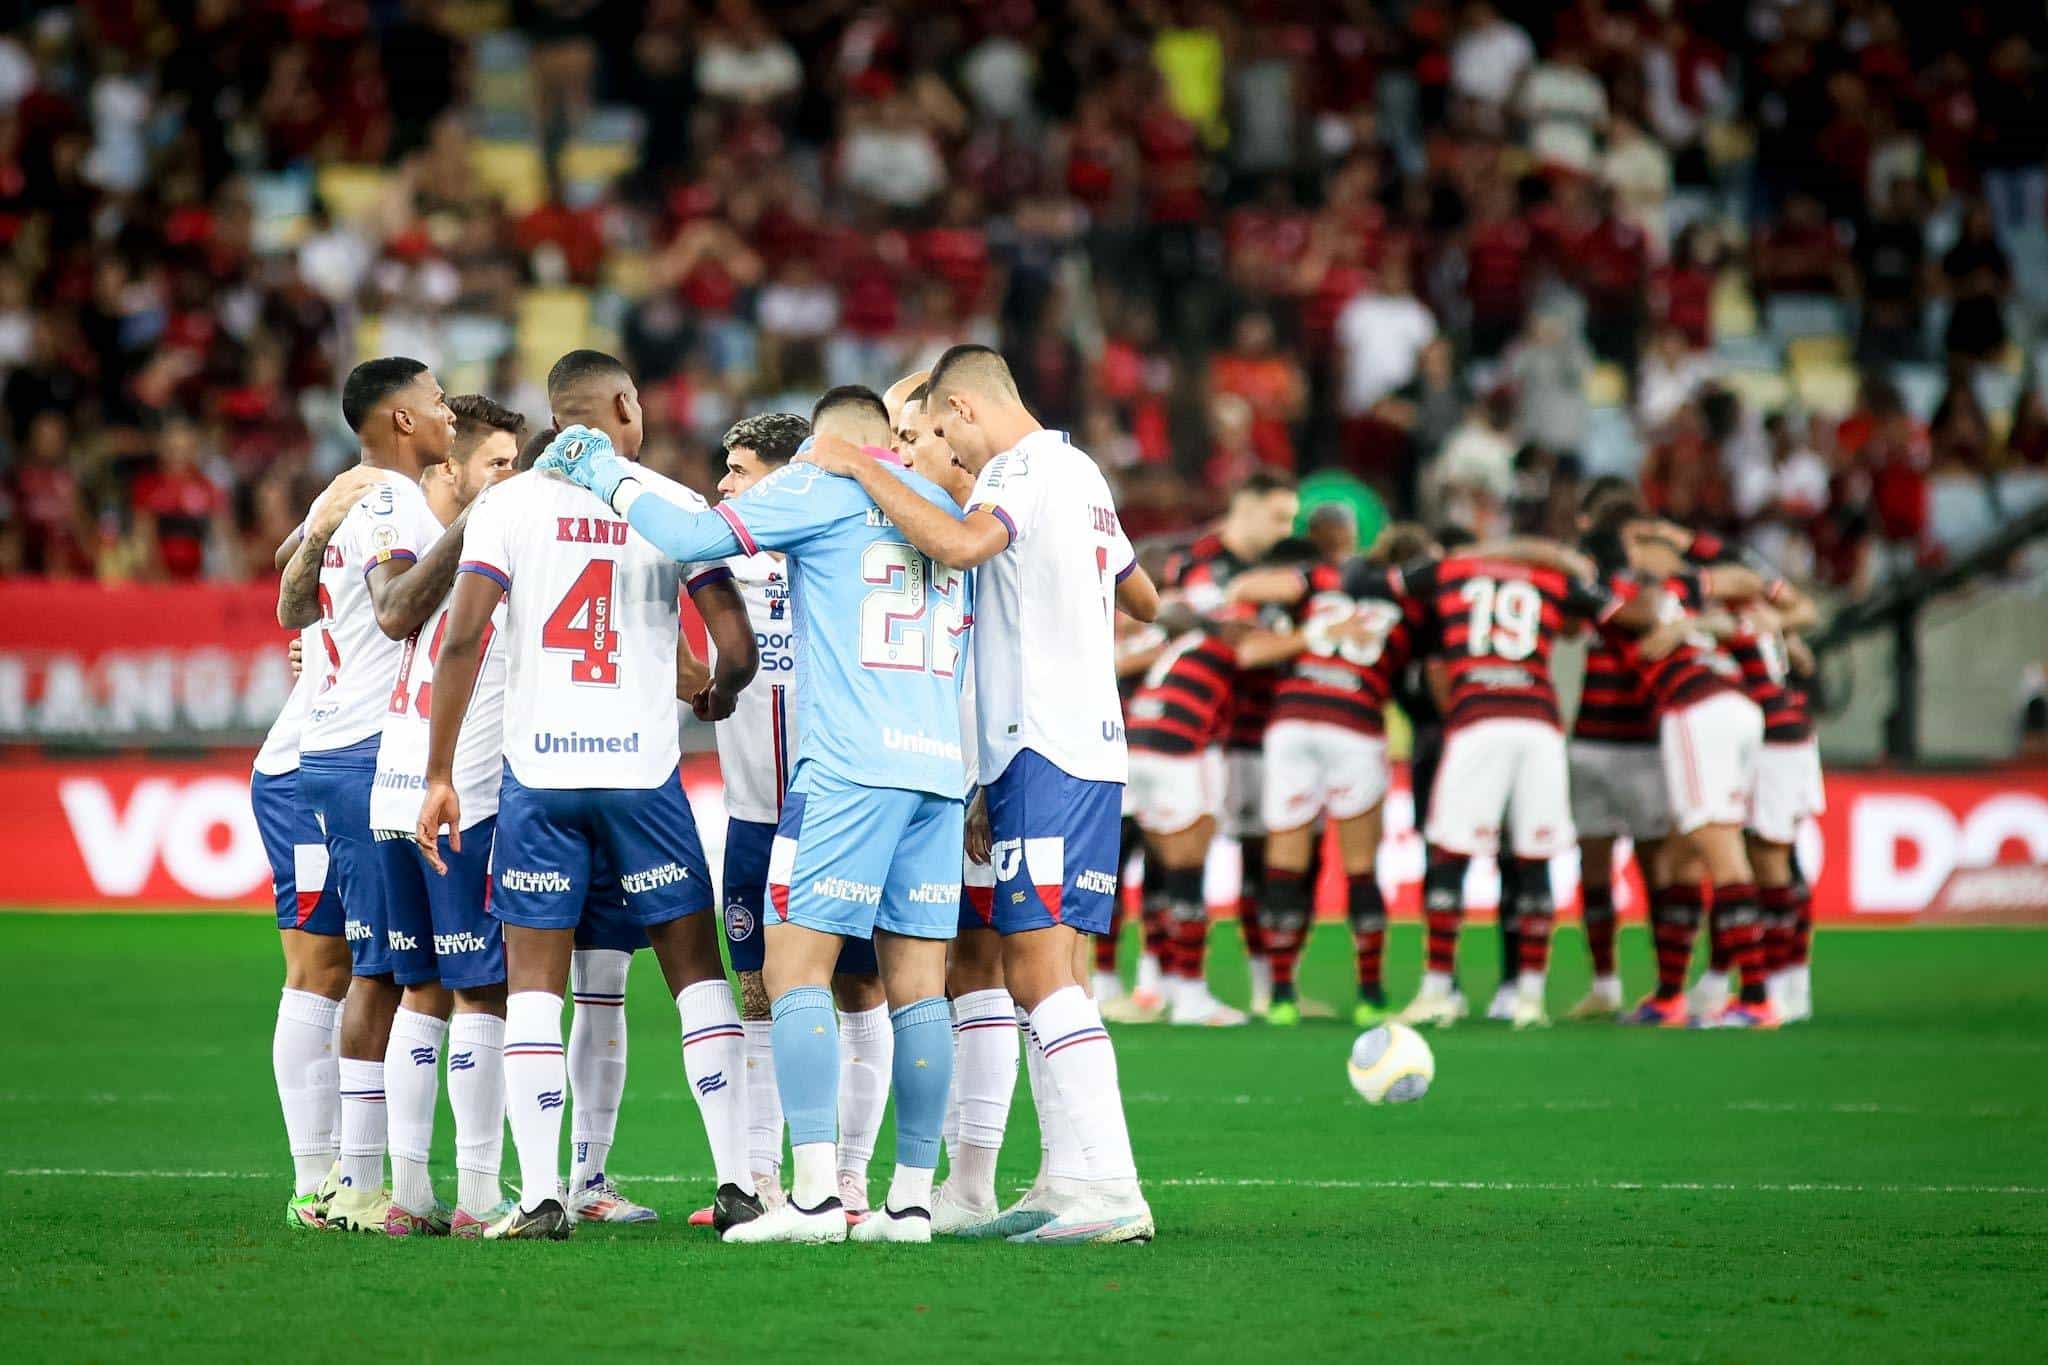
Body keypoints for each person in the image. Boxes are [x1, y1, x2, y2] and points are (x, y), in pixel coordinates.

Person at [541, 381, 972, 1246]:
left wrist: (606, 475)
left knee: (793, 971)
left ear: (828, 442)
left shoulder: (823, 482)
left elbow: (696, 536)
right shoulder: (937, 503)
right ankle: (911, 1202)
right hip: (935, 770)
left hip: (849, 769)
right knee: (921, 990)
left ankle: (811, 1198)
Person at [801, 344, 1161, 1245]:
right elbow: (1145, 596)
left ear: (962, 407)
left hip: (1039, 741)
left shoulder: (1019, 470)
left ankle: (1114, 1187)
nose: (934, 446)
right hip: (1085, 743)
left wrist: (860, 467)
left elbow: (964, 544)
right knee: (1056, 967)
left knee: (1032, 971)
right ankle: (1067, 1175)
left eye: (933, 427)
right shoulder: (1081, 472)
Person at [415, 350, 761, 1239]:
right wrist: (715, 696)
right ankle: (737, 1182)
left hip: (541, 781)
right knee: (695, 976)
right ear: (620, 406)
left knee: (535, 988)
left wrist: (440, 773)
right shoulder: (671, 503)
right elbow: (737, 648)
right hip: (643, 781)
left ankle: (540, 1196)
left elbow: (461, 641)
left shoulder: (508, 505)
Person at [275, 358, 471, 1232]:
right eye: (436, 400)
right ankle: (356, 1183)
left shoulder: (349, 494)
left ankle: (360, 1179)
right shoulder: (391, 501)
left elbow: (290, 583)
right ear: (399, 419)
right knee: (383, 969)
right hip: (362, 751)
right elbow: (393, 609)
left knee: (382, 965)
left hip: (336, 745)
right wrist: (471, 533)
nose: (447, 413)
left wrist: (317, 533)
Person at [702, 403, 905, 1223]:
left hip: (840, 812)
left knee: (859, 989)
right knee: (759, 994)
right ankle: (757, 1177)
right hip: (754, 815)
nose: (724, 484)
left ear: (788, 478)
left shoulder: (844, 551)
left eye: (739, 471)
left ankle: (849, 1177)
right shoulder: (723, 560)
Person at [365, 393, 521, 1236]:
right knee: (481, 992)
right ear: (452, 468)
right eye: (497, 463)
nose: (511, 479)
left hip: (396, 792)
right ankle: (478, 1193)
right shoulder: (488, 553)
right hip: (456, 798)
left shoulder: (425, 554)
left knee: (422, 990)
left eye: (516, 465)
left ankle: (409, 1194)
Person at [1385, 539, 1647, 1030]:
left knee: (1450, 855)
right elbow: (1622, 616)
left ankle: (1436, 992)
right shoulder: (1552, 582)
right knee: (1534, 855)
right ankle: (1529, 998)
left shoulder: (1450, 571)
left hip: (1478, 718)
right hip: (1538, 725)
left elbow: (1382, 584)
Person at [1259, 524, 1422, 1028]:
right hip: (1354, 722)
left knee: (1285, 860)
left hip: (1292, 720)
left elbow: (1257, 596)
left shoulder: (1319, 589)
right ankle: (1370, 996)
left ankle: (1281, 997)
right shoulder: (1408, 607)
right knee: (1359, 865)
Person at [1159, 471, 1304, 1018]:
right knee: (1174, 853)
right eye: (1279, 517)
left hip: (1269, 730)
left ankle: (1268, 986)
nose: (1286, 529)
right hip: (1201, 736)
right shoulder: (1192, 563)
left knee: (1264, 861)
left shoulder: (1283, 570)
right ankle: (1159, 981)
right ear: (1245, 506)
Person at [250, 615, 348, 1230]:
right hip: (305, 775)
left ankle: (349, 1174)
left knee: (370, 967)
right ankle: (314, 1185)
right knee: (322, 968)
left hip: (367, 770)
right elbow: (296, 577)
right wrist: (320, 641)